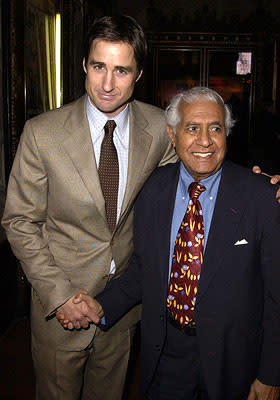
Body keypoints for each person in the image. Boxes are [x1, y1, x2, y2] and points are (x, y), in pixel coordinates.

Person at [1, 15, 177, 400]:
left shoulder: (162, 128)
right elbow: (19, 221)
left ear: (139, 73)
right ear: (84, 65)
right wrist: (62, 295)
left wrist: (262, 187)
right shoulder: (42, 133)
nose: (108, 84)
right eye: (99, 67)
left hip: (122, 309)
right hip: (60, 310)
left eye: (121, 70)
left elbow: (201, 166)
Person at [72, 87, 280, 400]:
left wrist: (271, 374)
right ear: (172, 134)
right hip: (166, 354)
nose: (205, 141)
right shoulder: (153, 190)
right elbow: (145, 269)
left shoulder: (261, 195)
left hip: (235, 362)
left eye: (215, 129)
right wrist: (101, 305)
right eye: (192, 128)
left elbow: (276, 297)